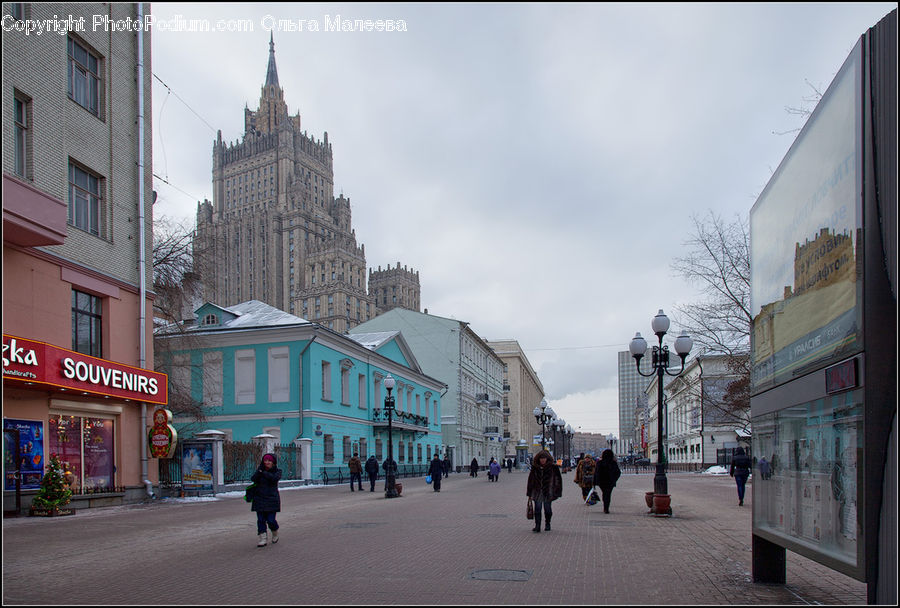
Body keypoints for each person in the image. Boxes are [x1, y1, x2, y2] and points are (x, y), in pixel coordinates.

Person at [526, 449, 562, 532]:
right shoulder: (535, 468)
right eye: (541, 458)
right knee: (537, 509)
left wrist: (557, 491)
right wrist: (530, 493)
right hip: (537, 492)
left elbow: (558, 480)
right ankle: (537, 525)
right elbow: (530, 480)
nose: (542, 460)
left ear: (547, 459)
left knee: (548, 509)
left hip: (548, 492)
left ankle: (547, 523)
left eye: (544, 458)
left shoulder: (553, 467)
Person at [250, 453, 281, 547]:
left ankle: (274, 531)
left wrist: (263, 472)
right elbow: (253, 479)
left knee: (271, 520)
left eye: (269, 461)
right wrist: (259, 472)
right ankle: (263, 538)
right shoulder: (260, 470)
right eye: (265, 460)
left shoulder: (277, 471)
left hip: (272, 499)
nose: (267, 462)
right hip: (259, 498)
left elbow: (274, 479)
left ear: (273, 462)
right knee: (260, 519)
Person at [594, 449, 622, 513]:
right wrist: (614, 479)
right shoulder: (613, 463)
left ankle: (605, 506)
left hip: (602, 482)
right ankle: (606, 508)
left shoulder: (599, 463)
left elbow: (596, 473)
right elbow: (618, 472)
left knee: (604, 493)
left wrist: (595, 481)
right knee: (608, 494)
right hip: (610, 482)